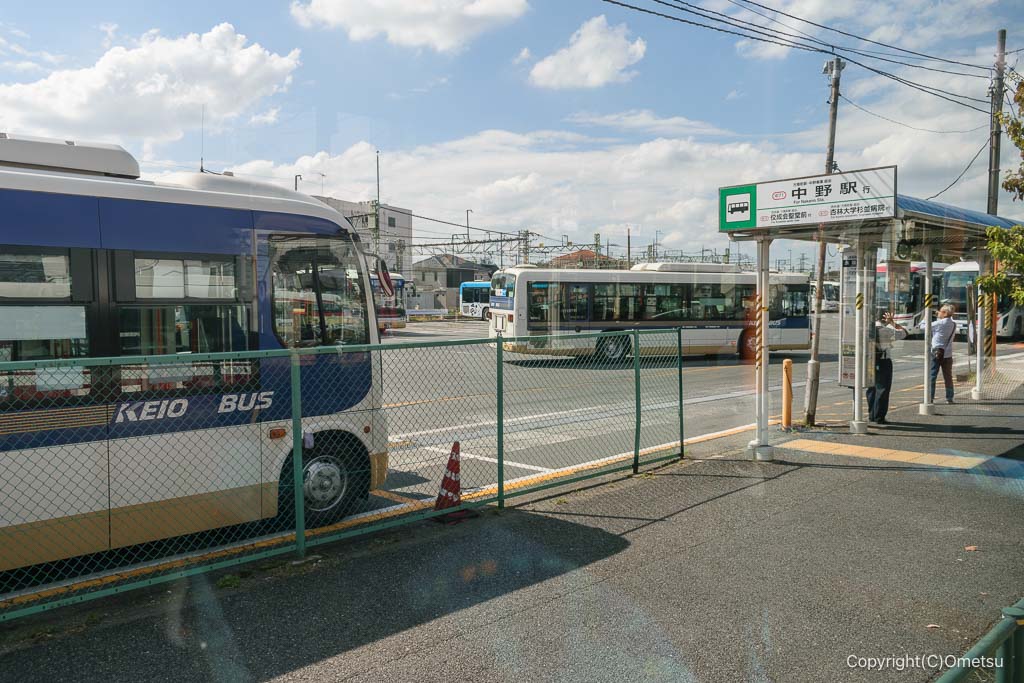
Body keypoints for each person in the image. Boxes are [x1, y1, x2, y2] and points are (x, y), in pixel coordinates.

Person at [867, 311, 907, 424]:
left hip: (869, 361)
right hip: (883, 362)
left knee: (871, 388)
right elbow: (904, 333)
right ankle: (879, 416)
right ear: (885, 319)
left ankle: (871, 414)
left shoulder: (866, 330)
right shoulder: (887, 330)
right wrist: (893, 322)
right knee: (882, 389)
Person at [922, 303, 957, 404]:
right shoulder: (953, 324)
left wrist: (926, 316)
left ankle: (930, 397)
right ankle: (949, 397)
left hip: (936, 353)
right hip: (948, 353)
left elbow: (922, 327)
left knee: (932, 376)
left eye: (940, 311)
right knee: (948, 376)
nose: (938, 313)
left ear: (945, 313)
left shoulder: (939, 324)